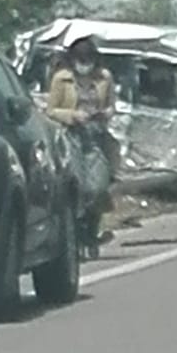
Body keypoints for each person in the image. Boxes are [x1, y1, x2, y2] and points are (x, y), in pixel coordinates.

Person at [46, 35, 117, 257]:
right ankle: (77, 237)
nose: (85, 66)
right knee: (78, 187)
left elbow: (111, 105)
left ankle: (92, 231)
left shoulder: (105, 77)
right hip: (71, 137)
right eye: (81, 60)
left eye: (89, 61)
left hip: (96, 137)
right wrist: (73, 115)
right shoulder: (61, 79)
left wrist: (104, 114)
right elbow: (51, 110)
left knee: (97, 188)